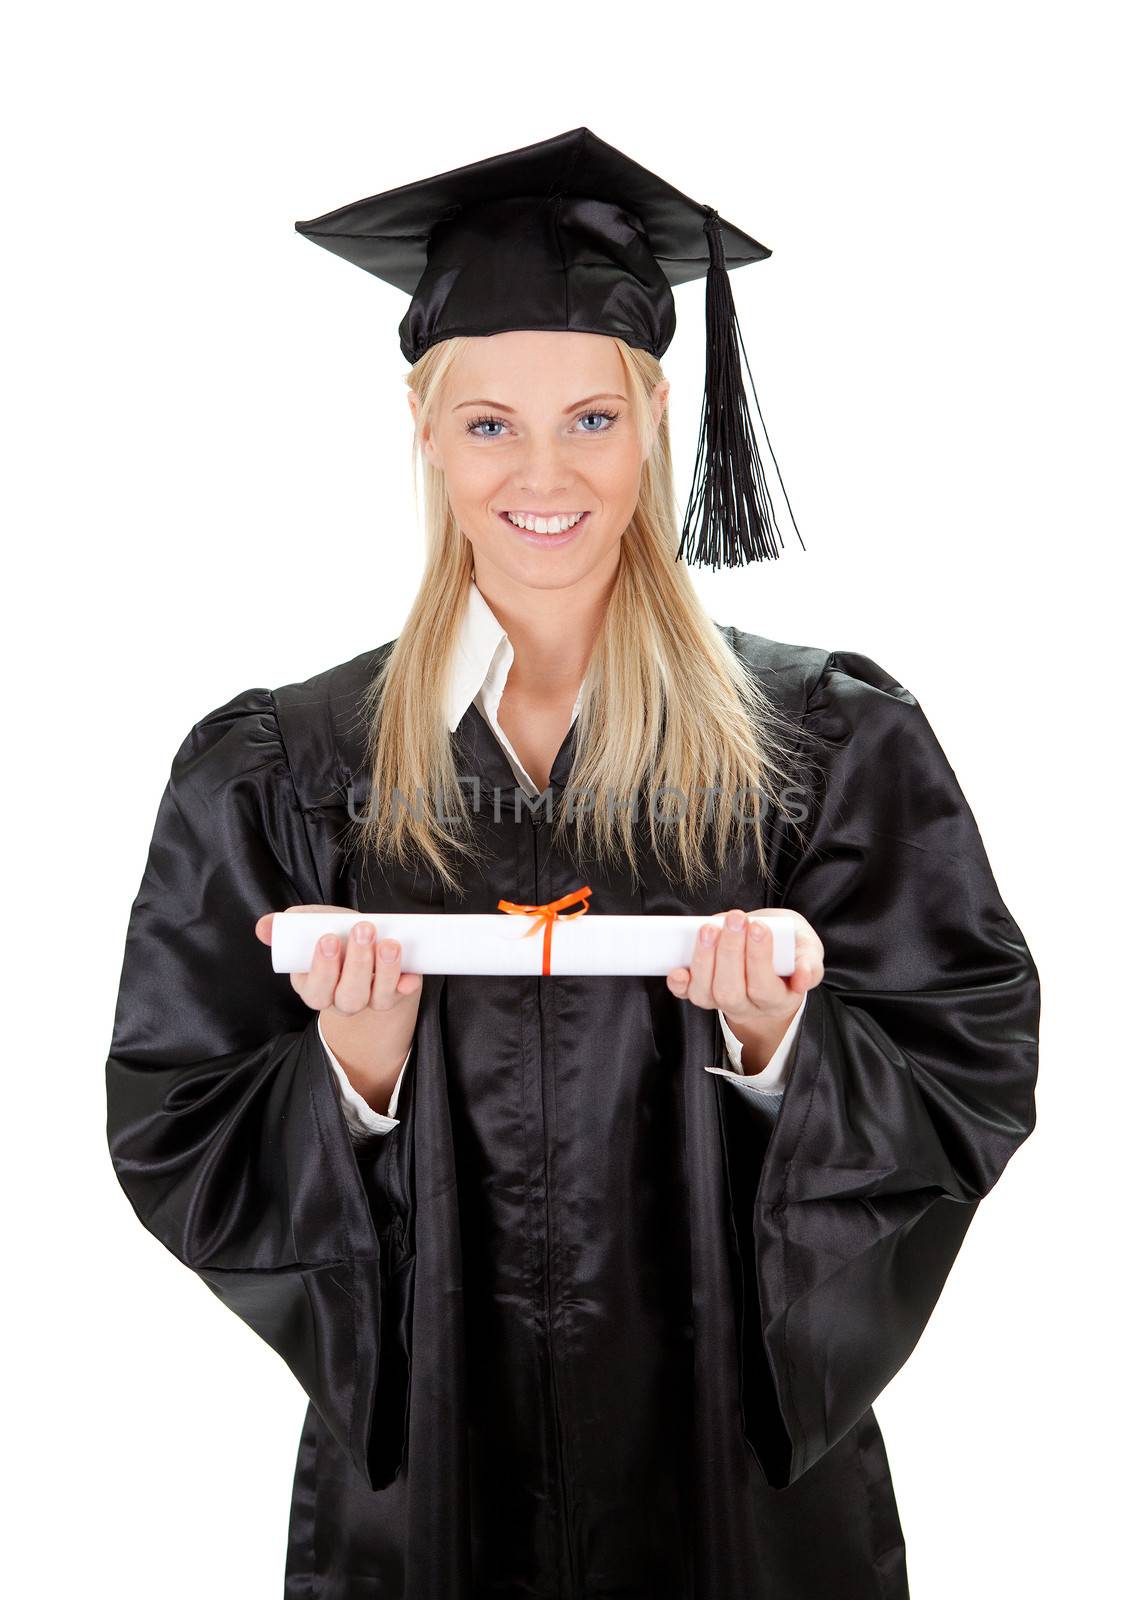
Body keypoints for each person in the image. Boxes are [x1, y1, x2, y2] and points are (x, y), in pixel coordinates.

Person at [105, 129, 1040, 1599]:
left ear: (658, 412)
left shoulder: (825, 747)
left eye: (591, 418)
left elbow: (969, 1068)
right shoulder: (286, 766)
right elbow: (176, 1122)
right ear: (422, 426)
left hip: (734, 1483)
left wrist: (784, 1039)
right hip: (430, 1494)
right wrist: (346, 1076)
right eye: (489, 425)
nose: (544, 473)